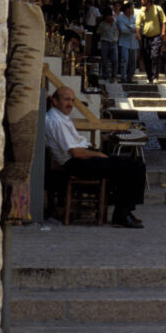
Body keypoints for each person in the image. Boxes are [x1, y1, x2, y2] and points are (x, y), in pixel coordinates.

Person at [45, 86, 145, 227]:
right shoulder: (56, 121)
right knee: (134, 166)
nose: (70, 104)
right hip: (76, 163)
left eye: (72, 100)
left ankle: (122, 211)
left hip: (82, 158)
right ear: (54, 101)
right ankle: (123, 214)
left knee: (130, 165)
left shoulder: (61, 117)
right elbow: (76, 152)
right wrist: (98, 154)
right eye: (66, 100)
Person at [135, 0, 166, 83]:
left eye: (144, 0)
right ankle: (149, 76)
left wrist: (163, 32)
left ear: (149, 2)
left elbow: (164, 21)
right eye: (142, 0)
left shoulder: (158, 9)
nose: (142, 1)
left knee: (155, 56)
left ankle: (155, 77)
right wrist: (138, 34)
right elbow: (137, 24)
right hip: (145, 38)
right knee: (146, 57)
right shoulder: (141, 11)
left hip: (156, 37)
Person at [116, 0, 140, 83]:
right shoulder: (120, 18)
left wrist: (130, 27)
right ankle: (123, 77)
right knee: (124, 60)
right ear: (126, 9)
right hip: (124, 42)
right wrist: (133, 28)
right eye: (131, 8)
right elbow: (123, 30)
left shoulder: (134, 17)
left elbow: (139, 27)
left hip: (133, 42)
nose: (132, 10)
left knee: (133, 62)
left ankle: (130, 78)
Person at [96, 6, 119, 82]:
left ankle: (114, 76)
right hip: (105, 41)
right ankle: (105, 75)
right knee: (104, 60)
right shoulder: (102, 24)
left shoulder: (116, 23)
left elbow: (119, 31)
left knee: (115, 60)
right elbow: (98, 32)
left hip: (114, 42)